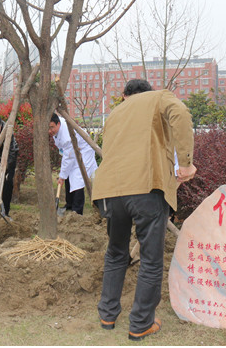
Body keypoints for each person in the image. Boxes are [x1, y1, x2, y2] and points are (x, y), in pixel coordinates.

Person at [92, 79, 197, 341]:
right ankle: (140, 324)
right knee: (150, 259)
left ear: (124, 95)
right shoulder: (159, 97)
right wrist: (185, 164)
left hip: (111, 190)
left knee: (116, 252)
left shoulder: (115, 112)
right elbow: (182, 114)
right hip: (146, 187)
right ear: (147, 93)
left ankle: (107, 314)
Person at [48, 113, 98, 215]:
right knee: (68, 177)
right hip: (73, 151)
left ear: (58, 124)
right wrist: (64, 176)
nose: (50, 131)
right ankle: (69, 205)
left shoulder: (66, 135)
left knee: (77, 180)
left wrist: (61, 176)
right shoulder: (58, 125)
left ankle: (77, 211)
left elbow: (68, 157)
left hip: (84, 151)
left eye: (52, 127)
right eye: (48, 128)